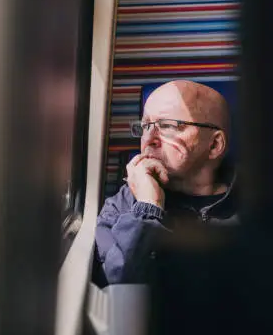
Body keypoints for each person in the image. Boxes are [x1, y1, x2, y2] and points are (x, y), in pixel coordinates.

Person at [95, 80, 239, 285]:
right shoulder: (122, 206)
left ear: (215, 144)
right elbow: (118, 287)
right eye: (146, 126)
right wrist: (147, 208)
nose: (149, 139)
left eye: (167, 126)